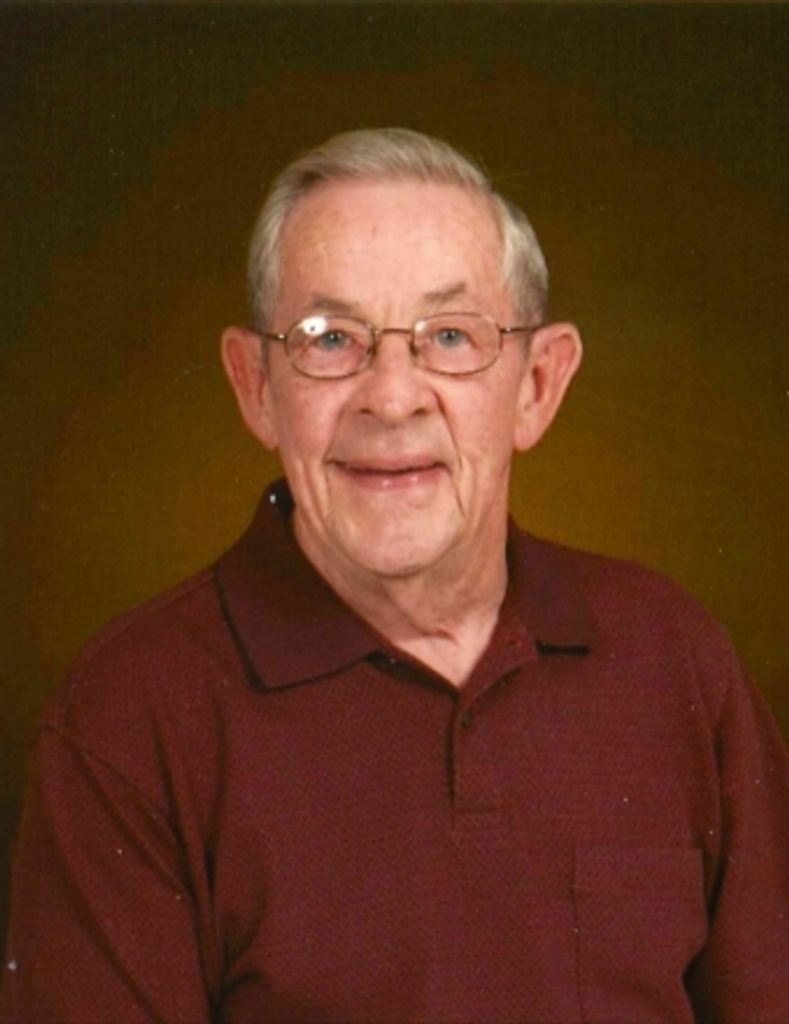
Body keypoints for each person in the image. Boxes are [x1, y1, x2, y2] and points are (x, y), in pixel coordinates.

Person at [2, 128, 787, 1024]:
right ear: (256, 385)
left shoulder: (672, 655)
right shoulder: (127, 717)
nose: (390, 395)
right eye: (329, 339)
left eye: (449, 336)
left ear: (537, 384)